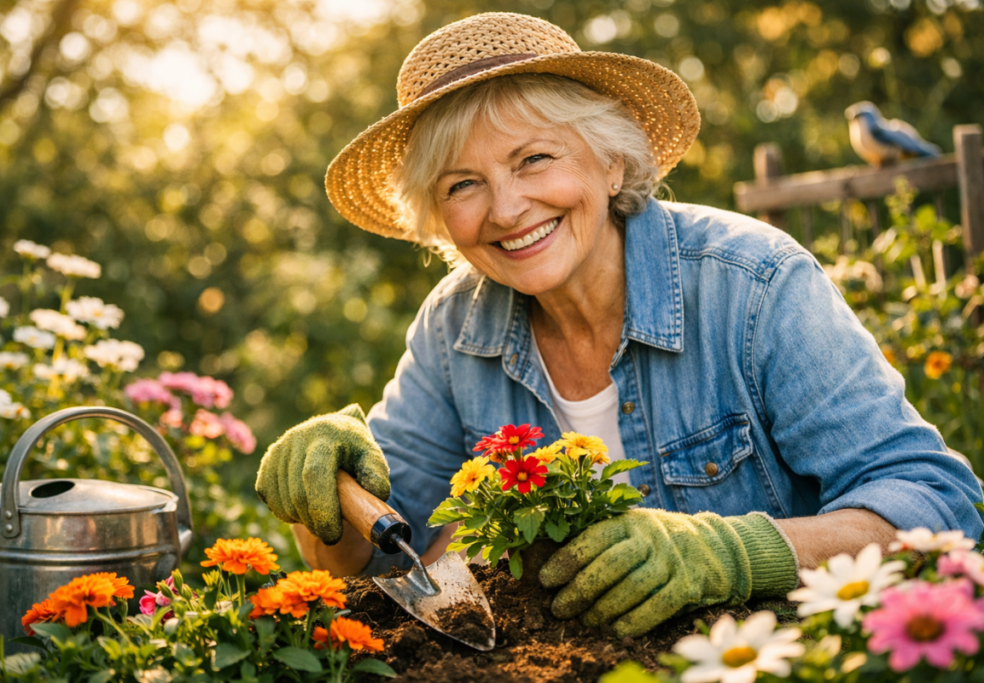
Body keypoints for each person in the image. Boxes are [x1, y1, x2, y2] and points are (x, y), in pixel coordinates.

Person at [254, 12, 983, 637]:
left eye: (534, 158)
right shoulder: (454, 324)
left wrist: (728, 555)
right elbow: (380, 560)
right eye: (463, 184)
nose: (506, 209)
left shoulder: (753, 281)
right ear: (440, 217)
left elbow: (937, 504)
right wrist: (324, 492)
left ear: (610, 162)